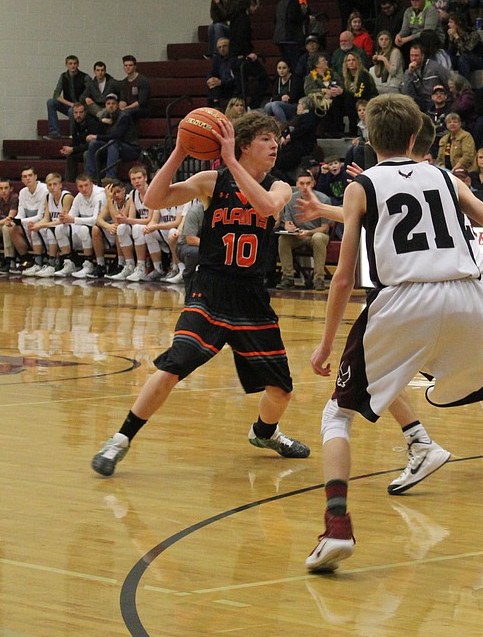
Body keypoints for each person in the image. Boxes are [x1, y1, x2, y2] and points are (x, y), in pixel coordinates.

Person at [303, 94, 483, 572]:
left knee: (337, 416)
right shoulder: (444, 176)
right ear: (418, 137)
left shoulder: (361, 186)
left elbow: (343, 275)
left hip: (403, 299)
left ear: (367, 140)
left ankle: (337, 526)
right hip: (468, 293)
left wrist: (325, 343)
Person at [91, 111, 312, 478]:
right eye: (265, 139)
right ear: (243, 145)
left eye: (276, 139)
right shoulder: (212, 181)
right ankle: (120, 439)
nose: (274, 145)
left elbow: (268, 208)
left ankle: (265, 434)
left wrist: (230, 161)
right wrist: (179, 150)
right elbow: (157, 199)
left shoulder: (279, 186)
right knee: (174, 364)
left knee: (281, 390)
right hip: (210, 290)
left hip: (252, 297)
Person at [276, 169, 332, 291]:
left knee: (318, 238)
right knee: (283, 239)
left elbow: (325, 228)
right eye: (301, 183)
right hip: (297, 235)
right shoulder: (290, 199)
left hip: (316, 234)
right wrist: (288, 226)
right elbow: (287, 221)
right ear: (296, 184)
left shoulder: (323, 199)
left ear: (313, 184)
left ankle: (319, 279)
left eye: (308, 183)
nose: (305, 187)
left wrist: (308, 232)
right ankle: (288, 277)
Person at [60, 173, 108, 278]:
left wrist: (73, 219)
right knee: (60, 228)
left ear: (91, 184)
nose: (84, 189)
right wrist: (65, 218)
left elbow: (96, 220)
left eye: (86, 185)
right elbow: (71, 216)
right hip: (87, 229)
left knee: (84, 229)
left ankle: (89, 264)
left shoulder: (100, 195)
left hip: (103, 231)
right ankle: (69, 263)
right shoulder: (79, 197)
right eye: (80, 186)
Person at [46, 55, 89, 140]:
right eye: (70, 63)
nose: (73, 66)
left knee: (71, 110)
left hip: (82, 107)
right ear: (66, 65)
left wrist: (77, 105)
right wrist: (71, 104)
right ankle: (54, 132)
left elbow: (89, 91)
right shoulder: (63, 76)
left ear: (78, 65)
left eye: (75, 63)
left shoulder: (85, 77)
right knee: (50, 102)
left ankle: (73, 135)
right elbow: (56, 95)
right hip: (70, 105)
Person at [274, 0, 309, 69]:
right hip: (291, 38)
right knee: (294, 65)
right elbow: (293, 17)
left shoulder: (281, 2)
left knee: (286, 64)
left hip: (280, 37)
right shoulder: (293, 1)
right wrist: (306, 16)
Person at [116, 55, 150, 126]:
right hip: (129, 108)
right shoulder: (124, 82)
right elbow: (123, 99)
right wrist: (121, 107)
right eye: (125, 65)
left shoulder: (142, 80)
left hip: (142, 109)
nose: (128, 67)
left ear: (135, 67)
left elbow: (141, 101)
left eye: (130, 65)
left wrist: (126, 108)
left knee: (125, 113)